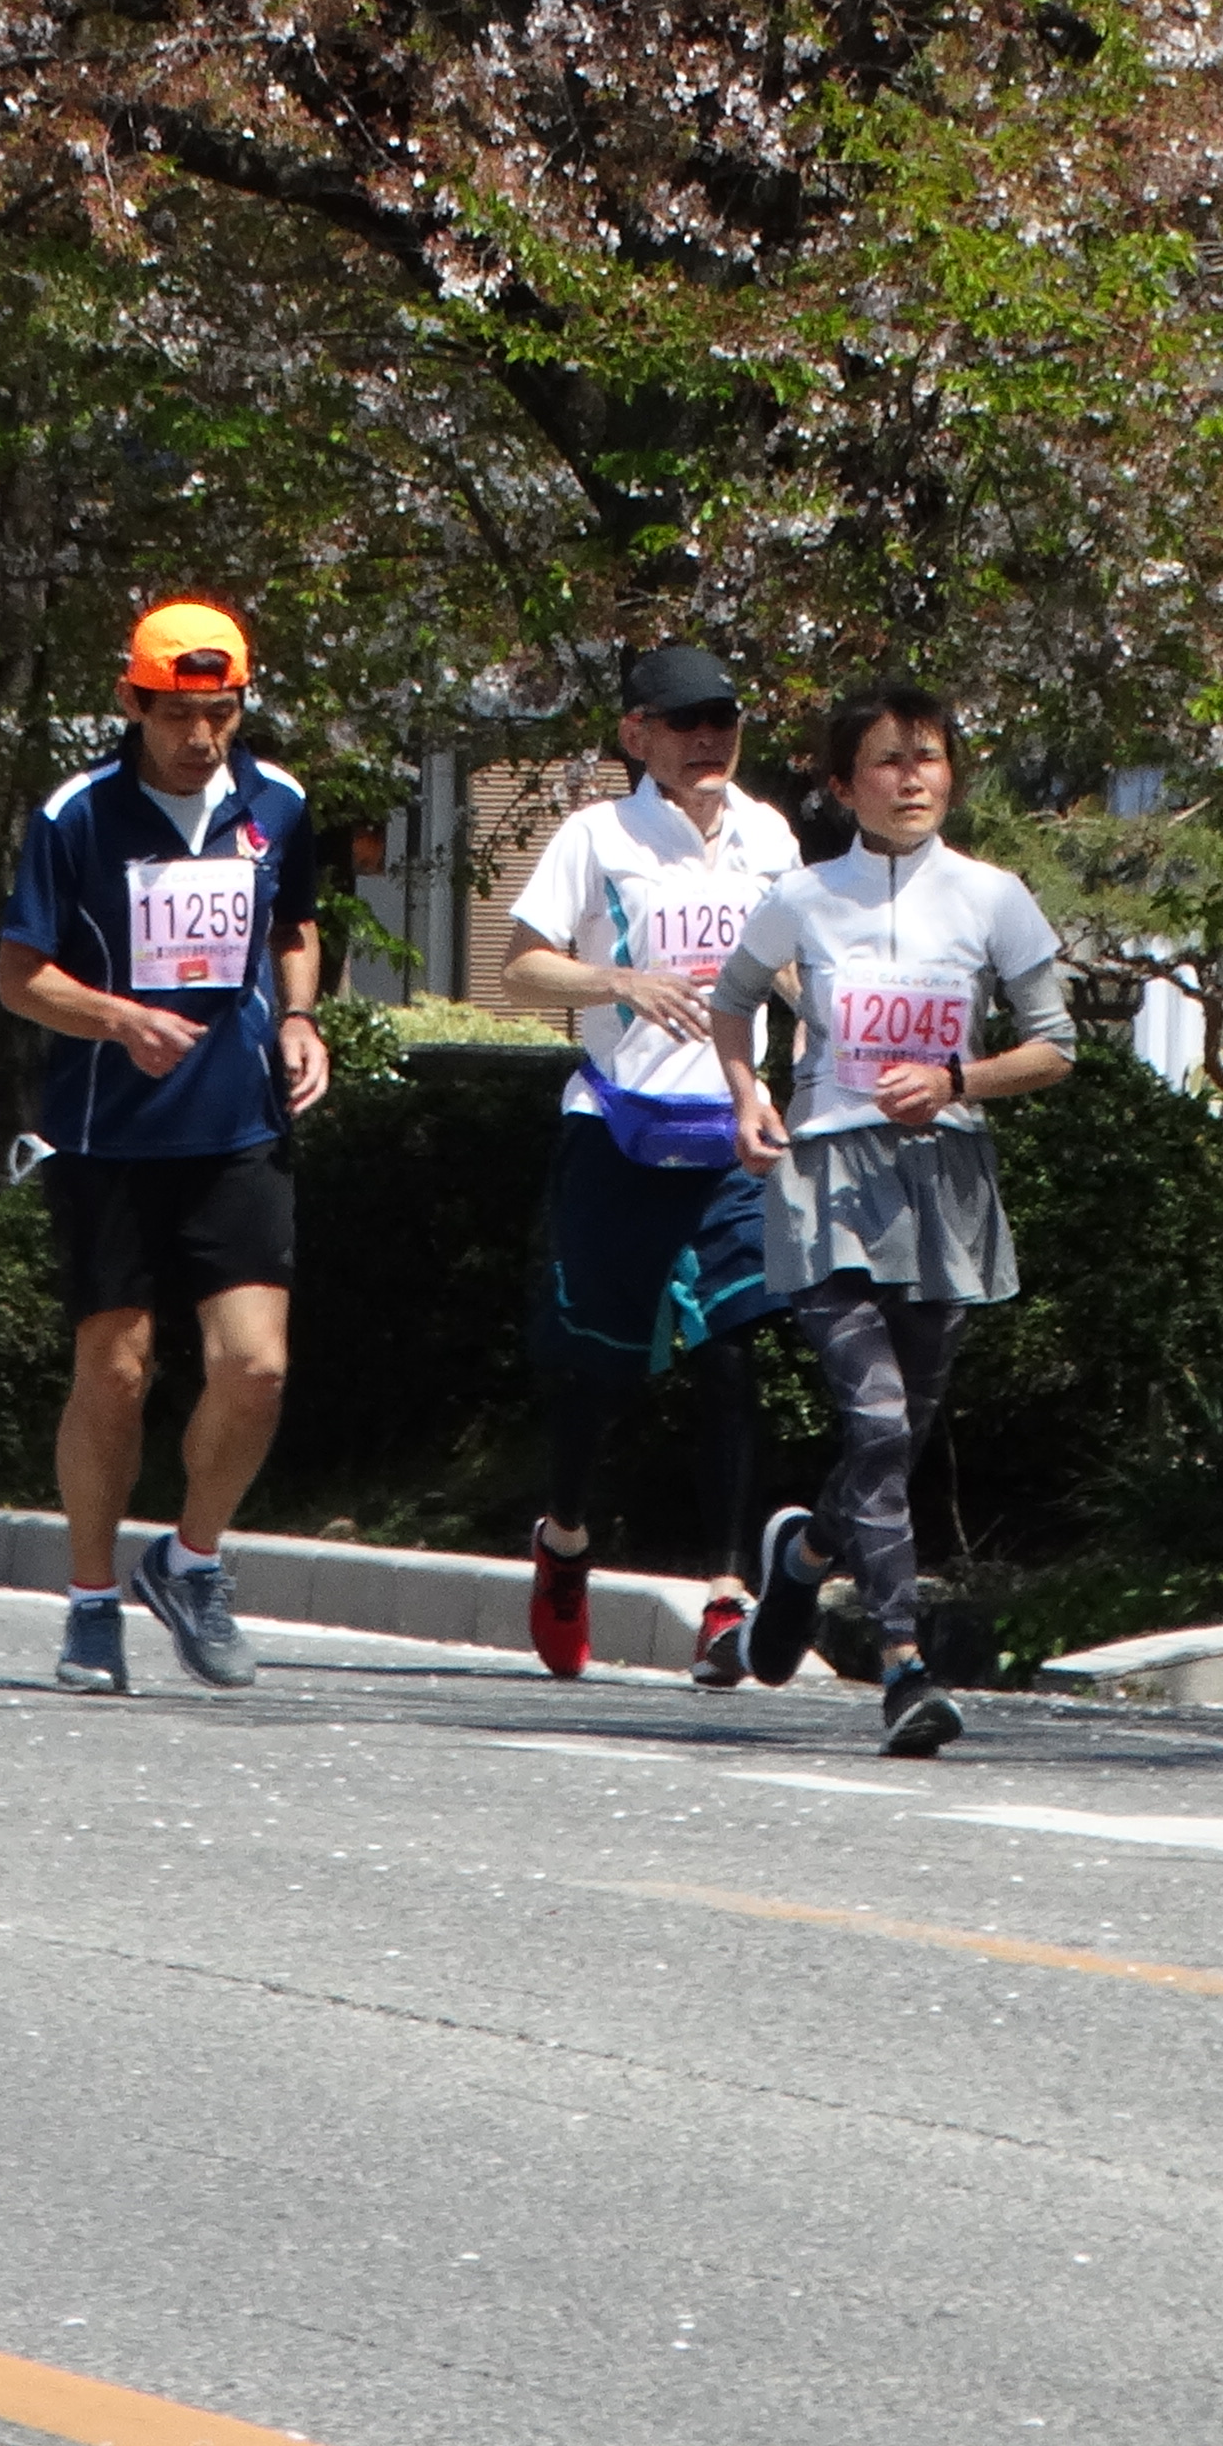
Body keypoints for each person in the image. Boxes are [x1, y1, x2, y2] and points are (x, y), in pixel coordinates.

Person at [709, 686, 1076, 1757]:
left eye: (926, 759)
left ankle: (805, 1557)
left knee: (901, 1433)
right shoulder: (802, 898)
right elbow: (734, 1000)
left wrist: (961, 1077)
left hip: (945, 1182)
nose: (910, 778)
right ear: (841, 786)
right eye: (884, 762)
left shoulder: (995, 898)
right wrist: (749, 1096)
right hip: (831, 1175)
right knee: (872, 1423)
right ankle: (905, 1666)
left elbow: (1055, 1046)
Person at [0, 598, 331, 1696]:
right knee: (119, 1371)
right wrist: (119, 1020)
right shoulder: (76, 816)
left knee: (260, 1368)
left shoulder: (275, 803)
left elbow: (295, 923)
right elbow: (20, 977)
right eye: (180, 714)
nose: (202, 737)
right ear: (133, 701)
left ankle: (189, 1561)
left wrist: (299, 1016)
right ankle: (92, 1605)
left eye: (221, 711)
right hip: (108, 1134)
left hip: (235, 1125)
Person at [494, 644, 805, 1684]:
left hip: (728, 1132)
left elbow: (800, 953)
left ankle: (726, 1598)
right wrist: (616, 980)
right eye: (684, 723)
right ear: (637, 735)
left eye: (722, 719)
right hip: (618, 1128)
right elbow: (523, 963)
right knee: (599, 1370)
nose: (708, 739)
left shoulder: (767, 834)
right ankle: (566, 1541)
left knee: (732, 1354)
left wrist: (824, 1019)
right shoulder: (597, 835)